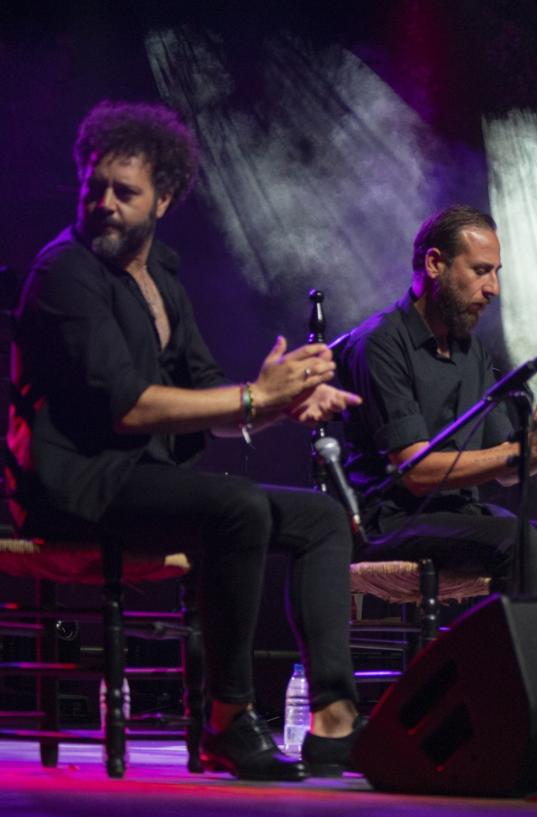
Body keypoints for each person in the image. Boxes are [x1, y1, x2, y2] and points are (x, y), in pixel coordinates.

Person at [8, 100, 364, 780]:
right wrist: (259, 397)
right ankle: (226, 720)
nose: (104, 203)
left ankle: (335, 718)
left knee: (320, 520)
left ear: (164, 198)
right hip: (76, 483)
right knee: (236, 506)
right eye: (94, 187)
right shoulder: (65, 274)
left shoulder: (162, 275)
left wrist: (279, 405)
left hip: (144, 477)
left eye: (124, 191)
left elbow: (211, 400)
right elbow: (128, 410)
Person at [338, 205, 537, 597]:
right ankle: (504, 659)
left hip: (463, 519)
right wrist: (526, 448)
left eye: (496, 273)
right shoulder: (380, 344)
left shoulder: (471, 351)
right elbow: (416, 473)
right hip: (390, 522)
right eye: (481, 270)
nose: (493, 287)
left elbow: (507, 469)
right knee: (518, 540)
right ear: (434, 264)